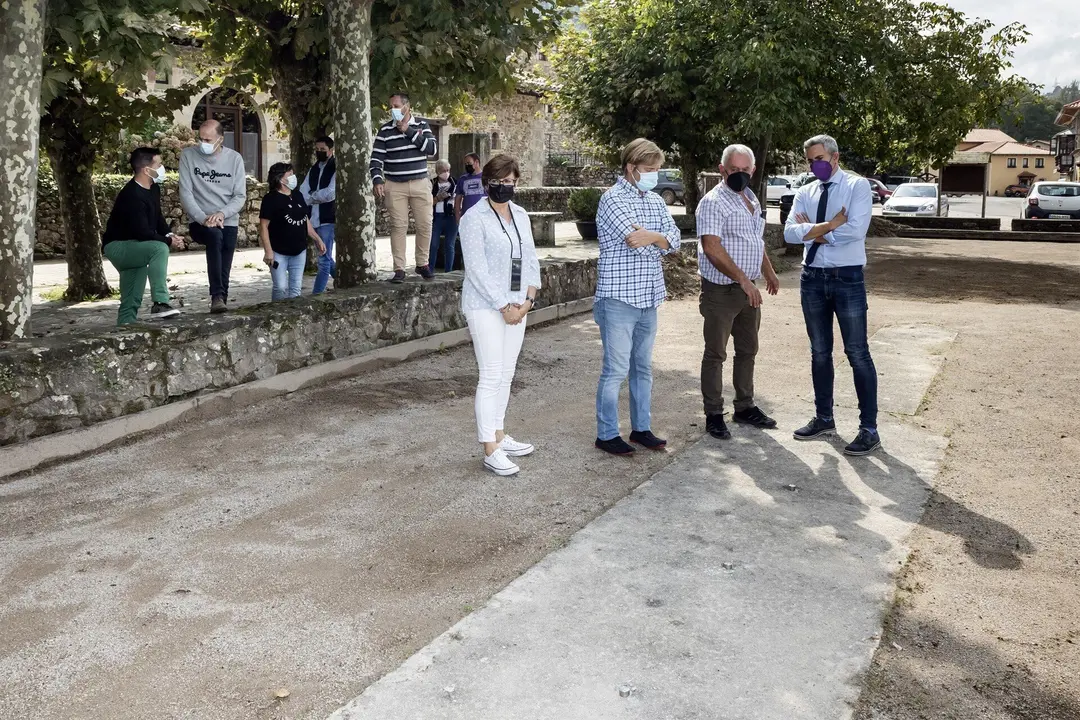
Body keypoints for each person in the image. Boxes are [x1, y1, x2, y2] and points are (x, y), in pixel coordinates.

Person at [783, 133, 880, 456]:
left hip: (846, 278)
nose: (815, 166)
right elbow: (789, 232)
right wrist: (830, 226)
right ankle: (824, 417)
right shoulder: (806, 191)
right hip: (812, 278)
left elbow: (856, 230)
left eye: (819, 159)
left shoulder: (856, 187)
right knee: (819, 352)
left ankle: (869, 428)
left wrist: (814, 231)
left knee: (857, 352)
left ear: (835, 158)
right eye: (810, 161)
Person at [593, 138, 681, 456]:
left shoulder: (655, 202)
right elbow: (634, 238)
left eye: (657, 169)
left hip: (649, 298)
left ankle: (641, 428)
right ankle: (606, 434)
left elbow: (675, 240)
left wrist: (656, 237)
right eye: (649, 169)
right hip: (618, 299)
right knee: (616, 369)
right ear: (631, 168)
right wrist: (658, 239)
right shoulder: (612, 199)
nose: (654, 175)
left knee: (642, 367)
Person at [458, 154, 542, 477]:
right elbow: (477, 270)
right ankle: (489, 448)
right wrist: (503, 306)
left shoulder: (520, 215)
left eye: (511, 182)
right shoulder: (473, 218)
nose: (506, 187)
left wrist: (528, 301)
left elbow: (531, 259)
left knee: (507, 374)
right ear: (486, 183)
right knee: (491, 375)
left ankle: (499, 433)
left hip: (519, 306)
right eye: (500, 182)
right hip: (485, 307)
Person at [696, 144, 781, 439]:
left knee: (748, 350)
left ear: (753, 171)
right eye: (734, 170)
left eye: (745, 170)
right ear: (722, 169)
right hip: (721, 290)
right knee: (716, 353)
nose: (740, 175)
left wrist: (767, 271)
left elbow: (755, 240)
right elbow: (711, 247)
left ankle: (745, 407)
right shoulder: (713, 202)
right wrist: (744, 280)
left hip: (748, 290)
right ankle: (714, 414)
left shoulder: (750, 197)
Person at [101, 147, 183, 325]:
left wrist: (169, 234)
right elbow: (143, 232)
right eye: (159, 165)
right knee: (159, 249)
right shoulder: (131, 195)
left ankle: (125, 330)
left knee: (131, 299)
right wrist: (167, 241)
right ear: (147, 170)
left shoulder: (153, 188)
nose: (163, 169)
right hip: (119, 246)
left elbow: (157, 217)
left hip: (136, 247)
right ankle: (160, 302)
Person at [179, 119, 247, 313]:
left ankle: (221, 299)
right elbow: (186, 193)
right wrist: (203, 218)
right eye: (201, 139)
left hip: (227, 219)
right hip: (200, 220)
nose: (203, 144)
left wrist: (221, 214)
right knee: (215, 237)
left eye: (208, 140)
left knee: (225, 254)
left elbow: (240, 195)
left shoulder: (234, 159)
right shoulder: (188, 156)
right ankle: (216, 295)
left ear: (220, 139)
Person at [369, 92, 439, 283]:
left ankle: (422, 263)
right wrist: (377, 179)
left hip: (420, 182)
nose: (394, 110)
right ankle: (399, 269)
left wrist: (408, 131)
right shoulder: (385, 131)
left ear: (407, 107)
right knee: (398, 226)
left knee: (425, 224)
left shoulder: (422, 126)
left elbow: (431, 150)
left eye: (397, 105)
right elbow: (376, 159)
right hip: (395, 185)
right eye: (391, 106)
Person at [258, 162, 327, 301]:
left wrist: (317, 238)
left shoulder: (298, 195)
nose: (293, 177)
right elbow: (263, 226)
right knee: (280, 287)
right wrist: (268, 251)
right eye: (289, 174)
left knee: (295, 288)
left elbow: (304, 219)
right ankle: (276, 315)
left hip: (299, 250)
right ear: (280, 178)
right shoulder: (270, 199)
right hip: (278, 251)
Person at [299, 136, 336, 294]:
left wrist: (312, 197)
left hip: (328, 219)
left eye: (323, 150)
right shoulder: (313, 169)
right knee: (326, 257)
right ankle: (342, 281)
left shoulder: (335, 168)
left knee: (323, 260)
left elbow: (330, 194)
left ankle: (316, 294)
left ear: (331, 150)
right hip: (313, 219)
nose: (319, 152)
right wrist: (314, 197)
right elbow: (302, 191)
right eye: (317, 149)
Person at [429, 159, 459, 272]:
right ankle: (430, 269)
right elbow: (427, 203)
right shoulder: (432, 184)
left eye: (448, 170)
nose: (446, 173)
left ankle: (448, 271)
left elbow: (459, 200)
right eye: (443, 170)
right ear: (437, 171)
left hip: (451, 217)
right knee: (433, 245)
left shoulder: (455, 183)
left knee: (450, 246)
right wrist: (438, 198)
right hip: (437, 217)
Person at [455, 152, 486, 221]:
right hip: (467, 216)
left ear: (476, 162)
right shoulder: (462, 179)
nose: (467, 165)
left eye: (469, 163)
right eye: (465, 164)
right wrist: (457, 215)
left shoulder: (486, 178)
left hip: (483, 217)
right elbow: (458, 199)